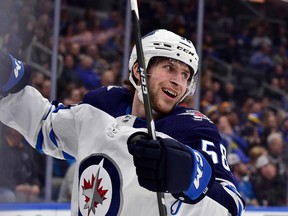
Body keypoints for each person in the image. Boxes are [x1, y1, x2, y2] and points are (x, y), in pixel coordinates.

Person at [0, 29, 244, 215]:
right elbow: (46, 125)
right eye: (170, 68)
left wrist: (191, 176)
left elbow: (232, 206)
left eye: (185, 75)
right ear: (139, 70)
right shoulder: (102, 105)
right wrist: (8, 89)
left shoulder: (193, 129)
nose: (179, 81)